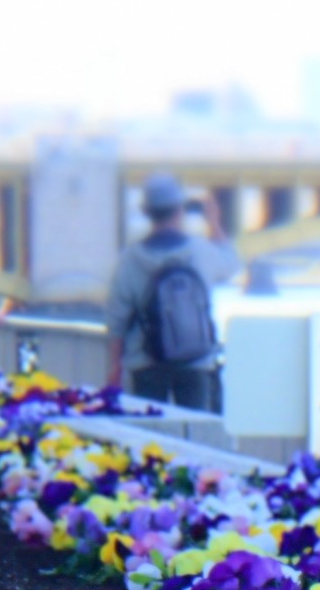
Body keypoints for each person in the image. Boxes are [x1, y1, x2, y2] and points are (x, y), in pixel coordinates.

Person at [103, 173, 240, 412]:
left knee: (151, 437)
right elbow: (231, 265)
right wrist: (214, 224)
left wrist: (115, 368)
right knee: (195, 432)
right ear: (180, 210)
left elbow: (117, 319)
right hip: (195, 360)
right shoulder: (200, 251)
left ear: (147, 211)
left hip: (146, 360)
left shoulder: (131, 259)